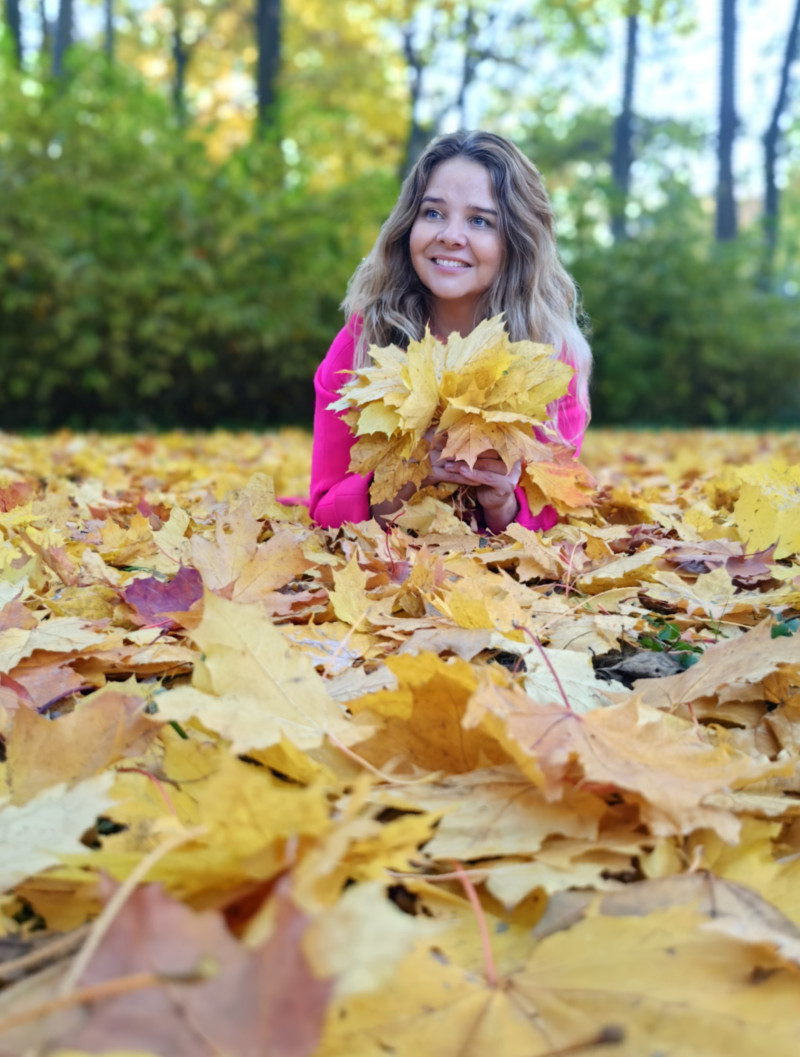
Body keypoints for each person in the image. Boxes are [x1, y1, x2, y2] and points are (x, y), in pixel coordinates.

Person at [309, 130, 591, 535]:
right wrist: (408, 478)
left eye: (480, 221)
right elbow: (324, 507)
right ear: (409, 224)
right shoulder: (363, 343)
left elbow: (557, 512)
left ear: (516, 241)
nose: (450, 235)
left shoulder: (551, 358)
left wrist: (502, 502)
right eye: (433, 213)